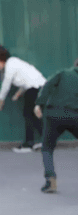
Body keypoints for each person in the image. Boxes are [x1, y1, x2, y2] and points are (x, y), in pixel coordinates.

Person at [0, 45, 46, 153]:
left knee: (29, 115)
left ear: (1, 58)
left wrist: (1, 99)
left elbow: (6, 83)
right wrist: (18, 94)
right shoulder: (14, 63)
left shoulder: (11, 64)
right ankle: (44, 142)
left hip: (35, 89)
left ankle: (28, 145)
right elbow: (27, 79)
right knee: (33, 116)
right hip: (38, 88)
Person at [34, 58, 78, 194]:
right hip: (75, 115)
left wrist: (39, 104)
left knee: (47, 147)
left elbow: (46, 85)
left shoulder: (63, 73)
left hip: (54, 114)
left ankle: (50, 180)